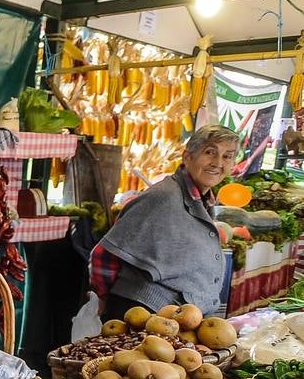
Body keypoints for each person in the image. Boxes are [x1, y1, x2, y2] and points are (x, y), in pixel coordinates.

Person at [89, 125, 241, 321]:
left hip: (172, 318)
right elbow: (104, 253)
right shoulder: (163, 197)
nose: (217, 162)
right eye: (209, 152)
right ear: (187, 157)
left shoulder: (202, 199)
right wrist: (101, 298)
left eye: (227, 156)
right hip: (142, 315)